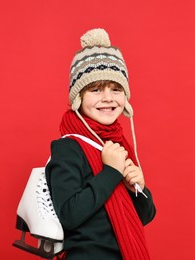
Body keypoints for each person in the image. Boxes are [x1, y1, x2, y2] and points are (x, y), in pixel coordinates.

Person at [45, 28, 156, 260]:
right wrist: (111, 172)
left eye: (116, 89)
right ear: (78, 98)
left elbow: (143, 218)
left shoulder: (117, 143)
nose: (107, 98)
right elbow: (69, 215)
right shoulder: (68, 148)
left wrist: (139, 188)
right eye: (95, 89)